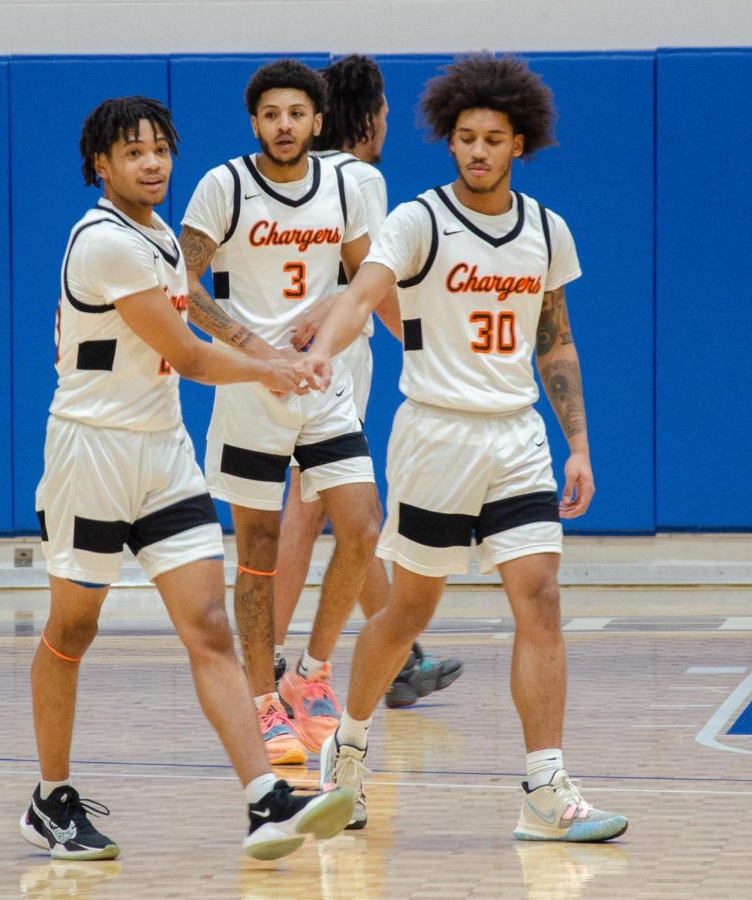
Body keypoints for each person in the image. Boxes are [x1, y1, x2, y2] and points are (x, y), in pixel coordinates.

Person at [21, 95, 354, 862]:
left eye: (162, 150)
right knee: (73, 630)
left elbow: (198, 317)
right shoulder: (105, 241)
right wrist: (272, 366)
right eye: (133, 152)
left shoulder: (161, 234)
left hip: (162, 452)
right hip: (93, 452)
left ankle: (264, 800)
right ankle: (50, 797)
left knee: (208, 626)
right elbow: (192, 354)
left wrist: (260, 347)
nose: (152, 163)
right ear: (100, 165)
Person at [306, 54, 629, 841]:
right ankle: (347, 750)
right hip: (436, 434)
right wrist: (322, 350)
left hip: (516, 437)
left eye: (493, 138)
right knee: (410, 608)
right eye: (465, 138)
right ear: (448, 142)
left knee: (541, 600)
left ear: (519, 143)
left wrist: (577, 444)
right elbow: (362, 294)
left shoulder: (546, 230)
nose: (478, 150)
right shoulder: (419, 220)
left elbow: (555, 342)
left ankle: (545, 788)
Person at [179, 59, 396, 766]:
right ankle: (260, 699)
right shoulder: (225, 185)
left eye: (296, 114)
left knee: (361, 524)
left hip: (322, 382)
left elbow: (369, 276)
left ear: (316, 120)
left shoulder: (346, 185)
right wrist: (249, 346)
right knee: (261, 552)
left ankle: (311, 674)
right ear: (255, 122)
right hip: (251, 391)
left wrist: (334, 312)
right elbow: (178, 279)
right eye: (271, 114)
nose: (283, 125)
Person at [271, 53, 463, 712]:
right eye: (385, 113)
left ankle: (400, 658)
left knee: (346, 519)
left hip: (302, 360)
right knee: (312, 516)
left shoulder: (301, 175)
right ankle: (266, 670)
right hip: (327, 366)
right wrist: (431, 348)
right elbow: (374, 288)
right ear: (373, 118)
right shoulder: (361, 178)